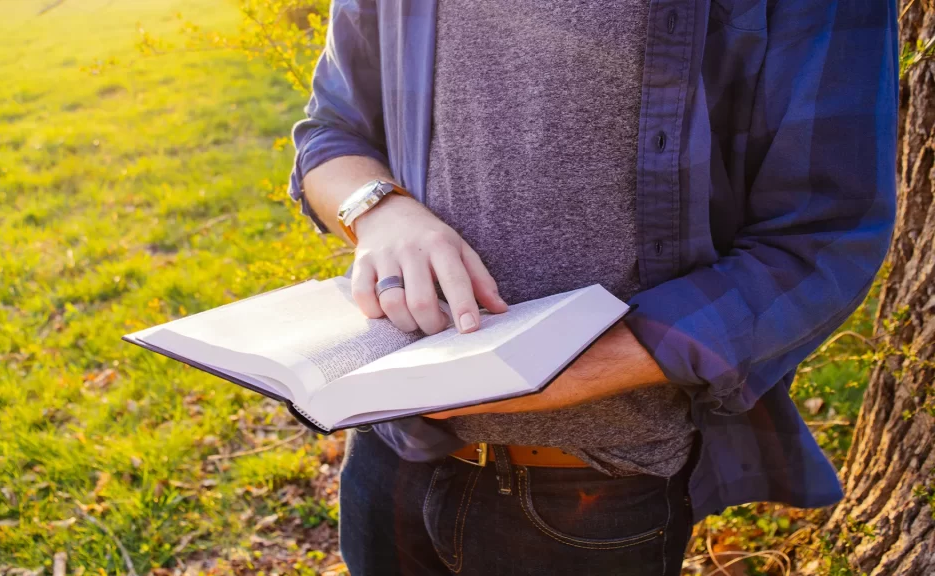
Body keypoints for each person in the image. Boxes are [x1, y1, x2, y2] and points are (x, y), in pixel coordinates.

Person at [288, 1, 898, 574]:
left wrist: (568, 370)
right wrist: (381, 212)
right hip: (392, 449)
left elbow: (823, 237)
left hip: (594, 490)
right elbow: (332, 131)